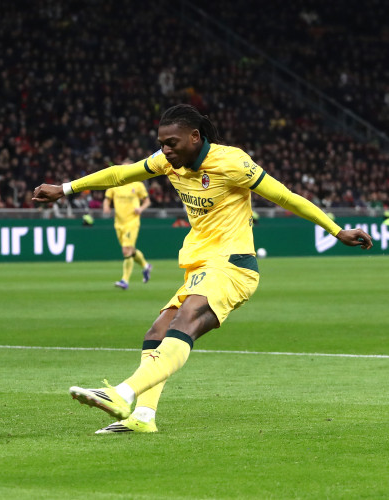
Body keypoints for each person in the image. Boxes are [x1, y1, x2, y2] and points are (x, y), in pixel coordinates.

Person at [32, 104, 372, 434]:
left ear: (194, 136)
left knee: (186, 319)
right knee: (157, 332)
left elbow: (285, 197)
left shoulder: (232, 162)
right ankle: (143, 416)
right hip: (201, 265)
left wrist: (336, 230)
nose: (165, 150)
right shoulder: (168, 163)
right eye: (161, 143)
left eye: (171, 143)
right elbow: (120, 174)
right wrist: (65, 188)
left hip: (233, 265)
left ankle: (122, 393)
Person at [103, 180, 152, 289]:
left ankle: (124, 281)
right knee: (131, 250)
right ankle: (146, 266)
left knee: (126, 250)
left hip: (132, 221)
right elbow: (107, 199)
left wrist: (141, 209)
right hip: (119, 223)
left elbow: (147, 201)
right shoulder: (114, 185)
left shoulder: (137, 185)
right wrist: (106, 206)